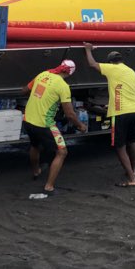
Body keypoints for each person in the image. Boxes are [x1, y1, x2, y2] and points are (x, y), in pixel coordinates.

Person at [22, 58, 87, 195]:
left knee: (35, 145)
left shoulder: (43, 74)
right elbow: (70, 114)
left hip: (28, 120)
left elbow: (24, 90)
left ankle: (36, 171)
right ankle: (49, 187)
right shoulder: (63, 86)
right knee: (62, 152)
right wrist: (80, 125)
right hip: (44, 124)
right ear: (70, 73)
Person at [84, 43, 135, 187]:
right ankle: (133, 170)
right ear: (122, 60)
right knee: (131, 141)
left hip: (121, 113)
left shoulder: (112, 69)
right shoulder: (132, 72)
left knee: (119, 146)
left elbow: (92, 64)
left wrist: (87, 49)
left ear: (110, 61)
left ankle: (131, 179)